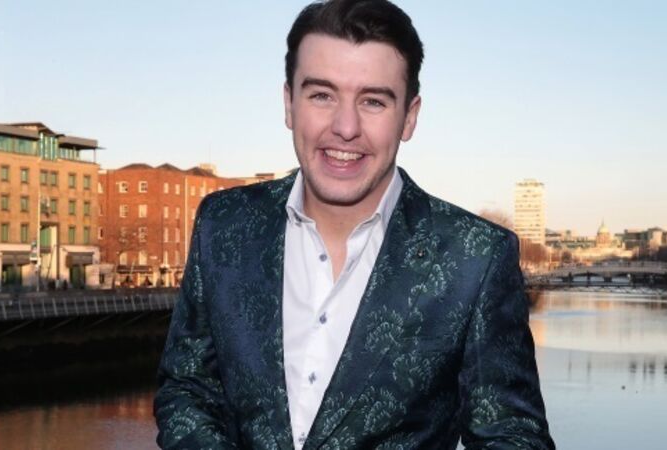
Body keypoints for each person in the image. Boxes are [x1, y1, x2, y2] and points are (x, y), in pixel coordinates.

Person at [154, 0, 555, 449]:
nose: (345, 127)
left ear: (409, 117)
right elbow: (187, 387)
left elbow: (512, 436)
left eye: (373, 101)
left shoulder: (474, 257)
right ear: (289, 103)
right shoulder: (223, 223)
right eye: (322, 95)